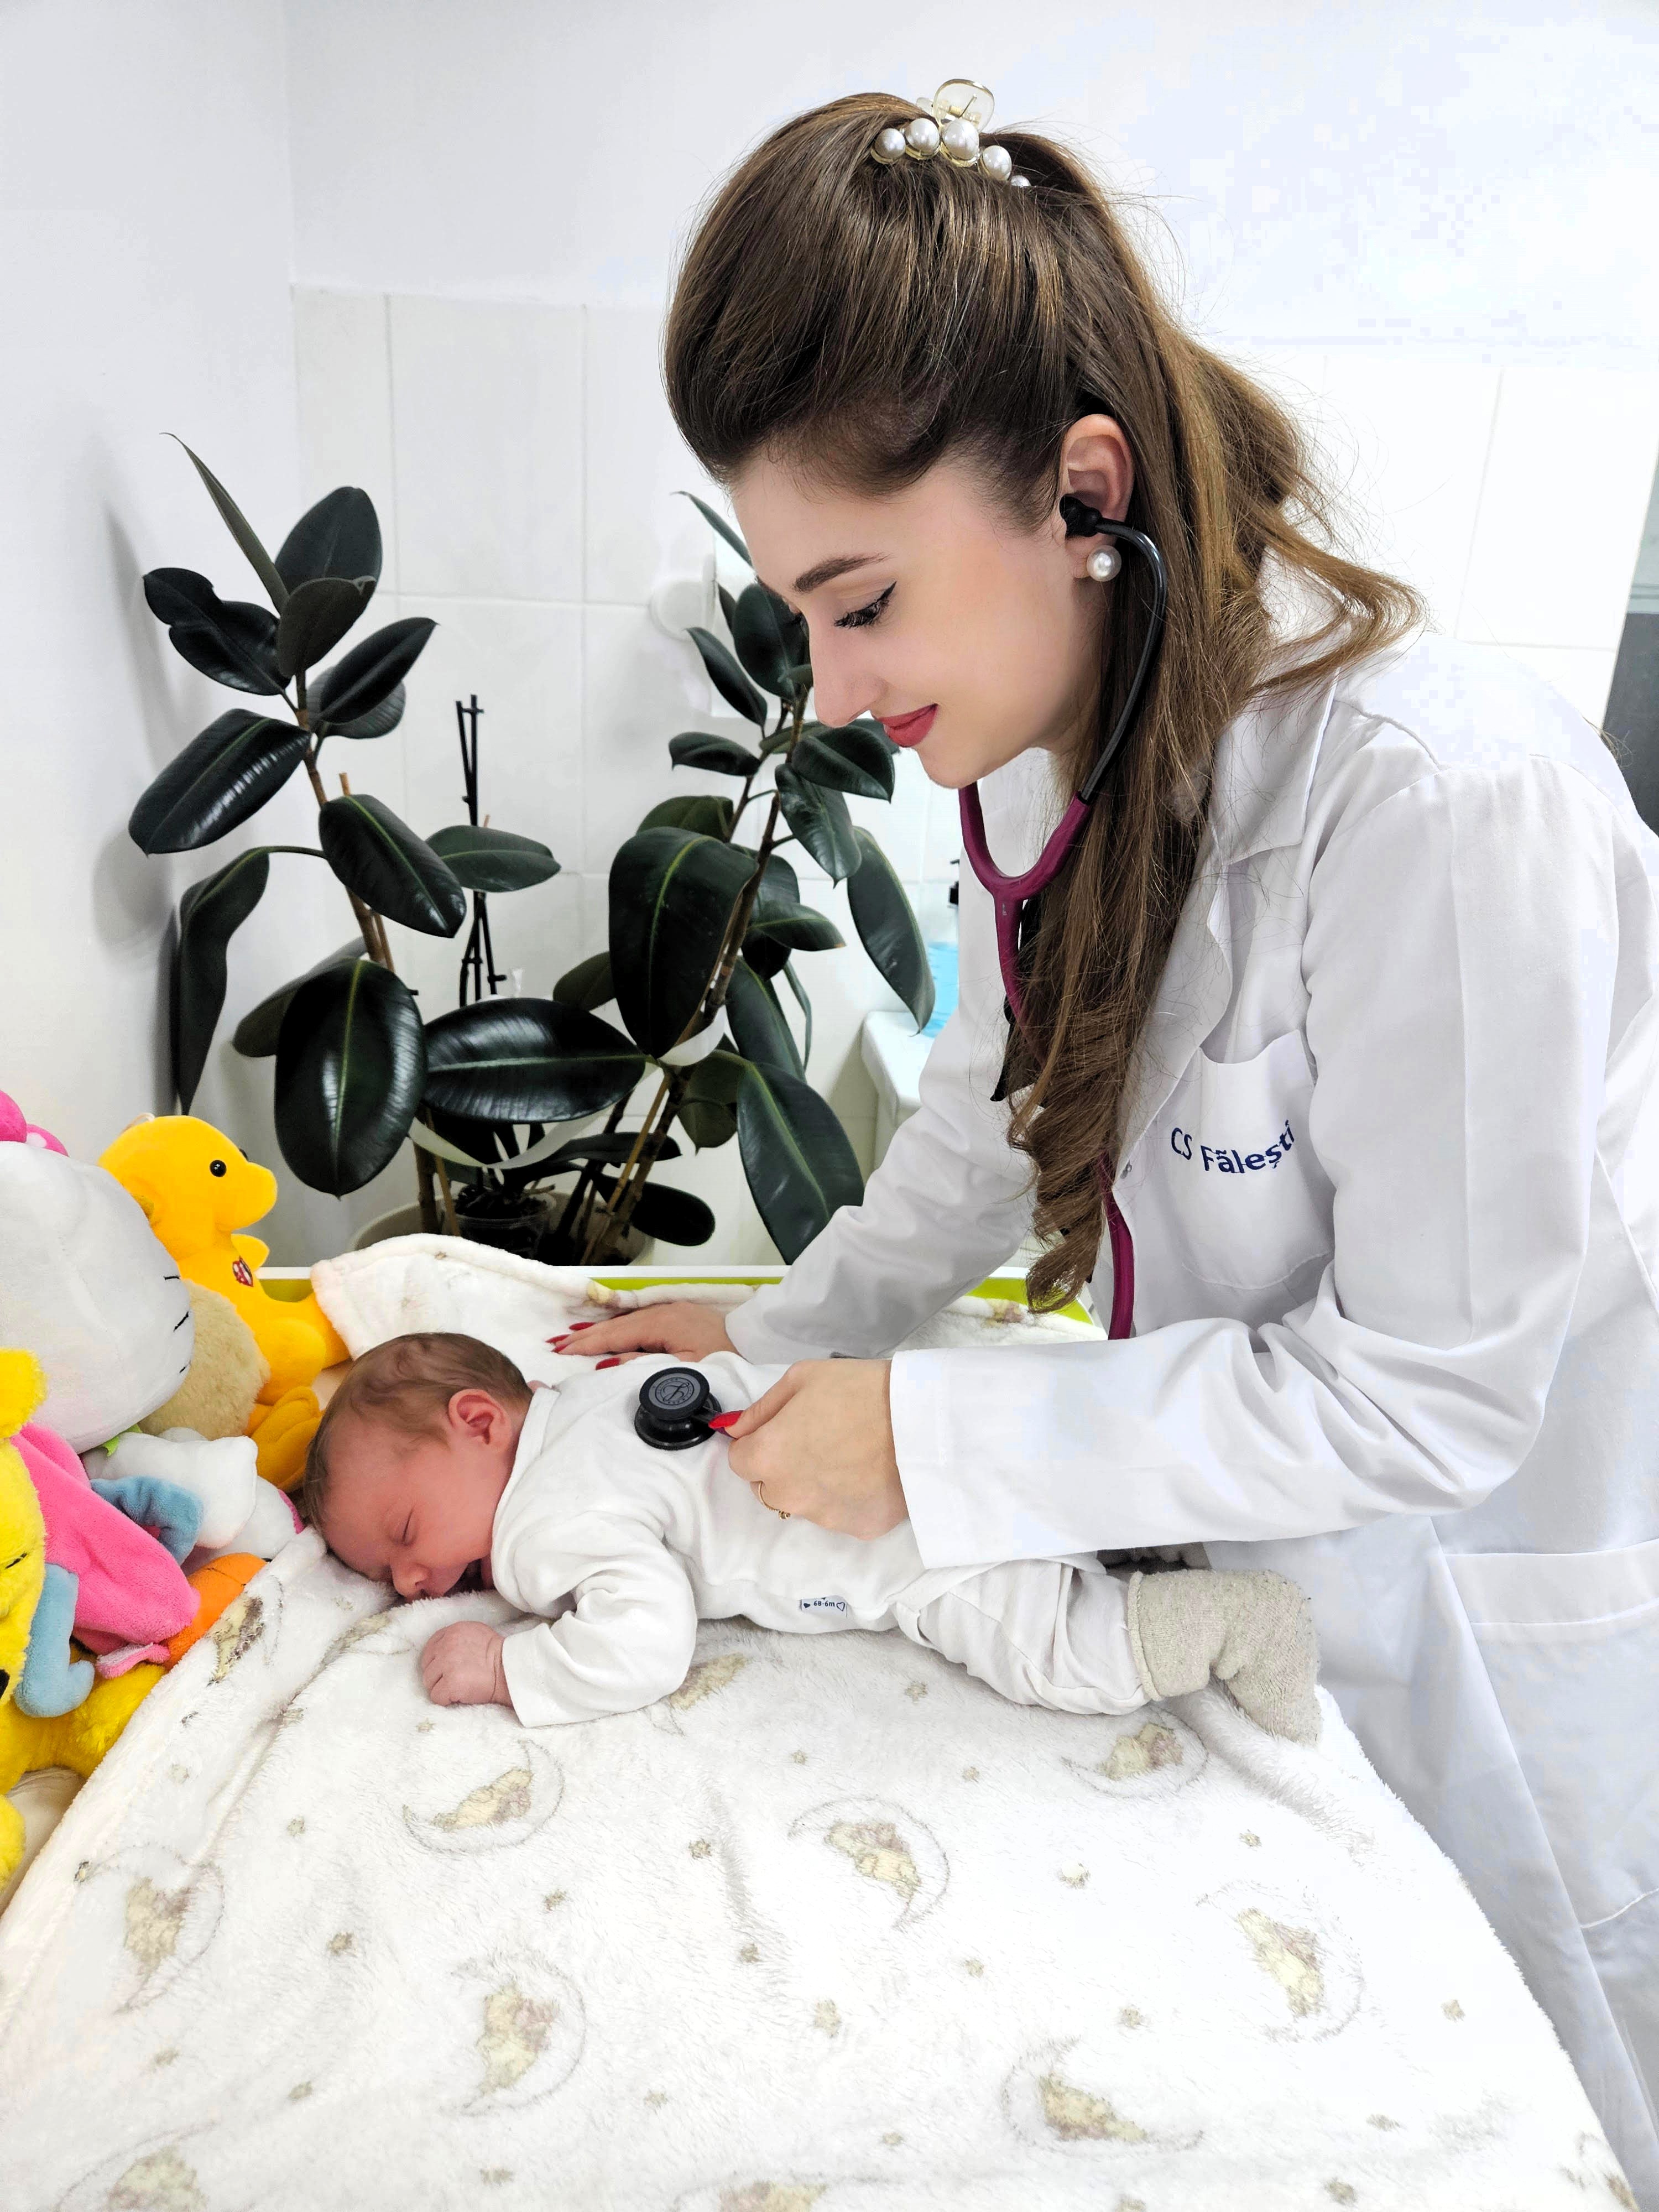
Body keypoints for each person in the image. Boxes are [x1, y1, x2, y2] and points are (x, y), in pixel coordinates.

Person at [564, 87, 1659, 2200]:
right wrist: (798, 1328)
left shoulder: (1438, 802)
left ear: (1084, 488)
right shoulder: (1050, 741)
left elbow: (1428, 1394)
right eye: (799, 613)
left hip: (1501, 1583)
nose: (829, 686)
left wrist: (935, 1439)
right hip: (1280, 1557)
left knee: (1553, 2096)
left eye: (862, 599)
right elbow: (997, 1103)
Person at [301, 1331, 1319, 1736]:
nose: (414, 1580)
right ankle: (1135, 1543)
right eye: (385, 1572)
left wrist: (508, 1668)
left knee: (1052, 1649)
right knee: (1065, 1490)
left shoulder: (537, 1528)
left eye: (405, 1533)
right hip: (943, 1425)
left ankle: (1240, 1627)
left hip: (907, 1551)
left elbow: (644, 1642)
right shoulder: (593, 1394)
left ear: (481, 1420)